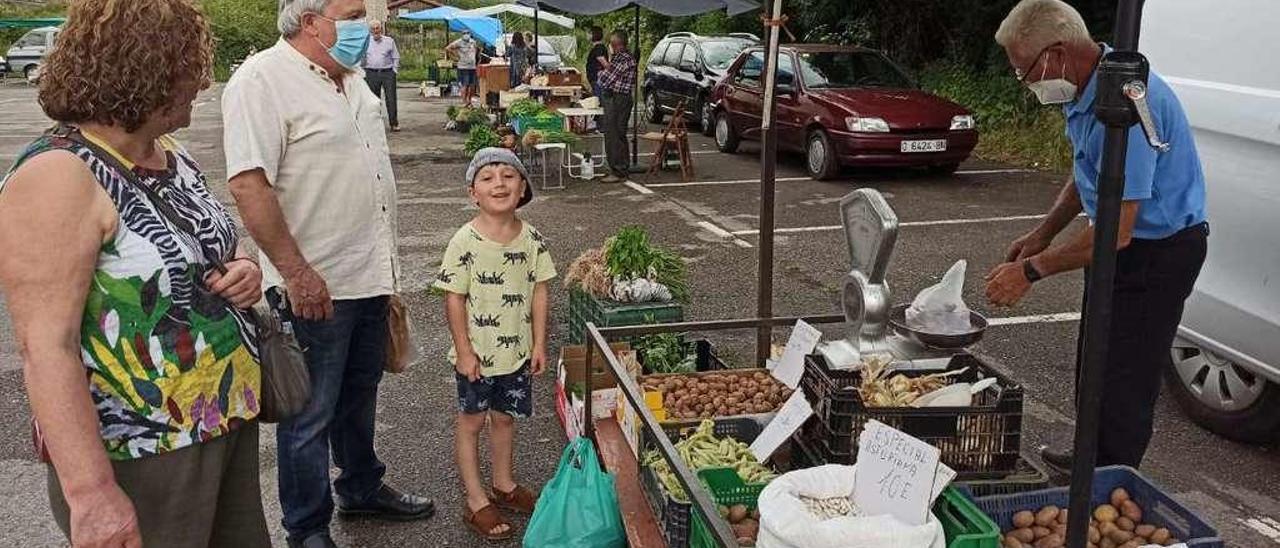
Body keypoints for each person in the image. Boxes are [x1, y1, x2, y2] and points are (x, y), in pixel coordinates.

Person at [0, 0, 271, 546]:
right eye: (190, 66)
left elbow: (200, 248)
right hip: (141, 454)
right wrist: (92, 494)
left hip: (218, 420)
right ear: (144, 72)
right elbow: (44, 347)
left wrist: (242, 269)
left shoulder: (167, 151)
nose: (202, 81)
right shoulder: (59, 174)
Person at [222, 1, 435, 547]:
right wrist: (296, 274)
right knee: (309, 414)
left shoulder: (354, 80)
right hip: (315, 285)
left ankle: (361, 488)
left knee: (359, 396)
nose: (365, 23)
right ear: (311, 19)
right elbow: (249, 184)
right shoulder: (262, 79)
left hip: (368, 274)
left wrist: (387, 271)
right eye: (353, 12)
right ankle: (307, 528)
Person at [988, 0, 1208, 470]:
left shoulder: (1127, 103)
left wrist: (1030, 271)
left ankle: (1111, 482)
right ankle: (1089, 455)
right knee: (1094, 363)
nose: (1026, 84)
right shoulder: (1087, 91)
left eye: (1024, 72)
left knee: (1125, 378)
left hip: (1158, 253)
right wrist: (1043, 234)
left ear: (1057, 54)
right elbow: (1086, 172)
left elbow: (1117, 233)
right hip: (1122, 245)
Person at [434, 148, 555, 542]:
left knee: (505, 418)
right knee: (471, 423)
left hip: (517, 354)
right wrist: (465, 350)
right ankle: (475, 500)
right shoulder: (463, 241)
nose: (499, 183)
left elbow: (539, 291)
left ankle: (504, 484)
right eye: (487, 178)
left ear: (523, 188)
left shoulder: (533, 238)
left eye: (508, 175)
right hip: (477, 358)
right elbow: (453, 297)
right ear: (473, 193)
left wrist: (539, 343)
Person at [597, 30, 638, 183]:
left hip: (618, 99)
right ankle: (621, 167)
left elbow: (604, 80)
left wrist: (602, 72)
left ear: (617, 44)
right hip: (620, 98)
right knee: (618, 134)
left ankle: (618, 170)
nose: (611, 47)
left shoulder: (623, 59)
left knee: (614, 134)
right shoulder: (622, 58)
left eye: (612, 44)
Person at [363, 20, 401, 132]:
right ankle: (375, 124)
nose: (375, 31)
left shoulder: (389, 41)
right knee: (373, 100)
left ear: (381, 29)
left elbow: (396, 56)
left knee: (391, 98)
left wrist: (394, 70)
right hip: (371, 73)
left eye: (377, 28)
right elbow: (361, 57)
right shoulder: (366, 42)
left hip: (387, 73)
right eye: (373, 29)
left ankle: (394, 123)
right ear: (370, 31)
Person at [447, 31, 480, 106]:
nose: (466, 35)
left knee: (472, 85)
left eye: (468, 33)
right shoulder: (458, 42)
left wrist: (477, 60)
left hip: (472, 66)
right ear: (462, 35)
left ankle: (469, 100)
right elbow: (448, 48)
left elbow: (476, 51)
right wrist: (456, 56)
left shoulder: (473, 42)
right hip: (463, 67)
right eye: (465, 33)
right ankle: (464, 101)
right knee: (464, 85)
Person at [585, 26, 608, 99]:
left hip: (597, 79)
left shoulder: (599, 48)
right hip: (595, 79)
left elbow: (603, 62)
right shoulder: (598, 47)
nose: (587, 35)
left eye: (589, 33)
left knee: (598, 100)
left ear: (594, 34)